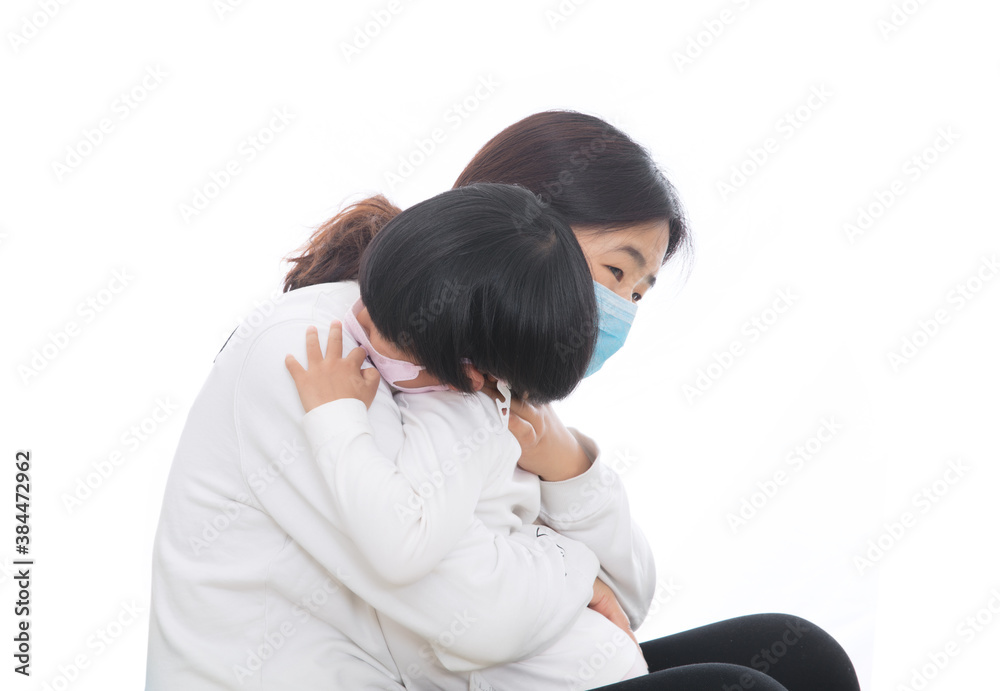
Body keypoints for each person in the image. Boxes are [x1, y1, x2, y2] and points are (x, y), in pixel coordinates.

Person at [147, 110, 861, 690]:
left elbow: (630, 596)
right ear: (522, 224)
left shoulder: (482, 370)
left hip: (449, 673)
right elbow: (470, 612)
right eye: (616, 271)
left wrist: (570, 463)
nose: (619, 309)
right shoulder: (317, 353)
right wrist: (574, 574)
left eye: (639, 293)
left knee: (800, 657)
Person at [283, 182, 649, 689]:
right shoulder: (445, 376)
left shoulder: (459, 420)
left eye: (390, 333)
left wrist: (335, 415)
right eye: (372, 301)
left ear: (469, 374)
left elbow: (402, 546)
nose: (360, 325)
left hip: (579, 673)